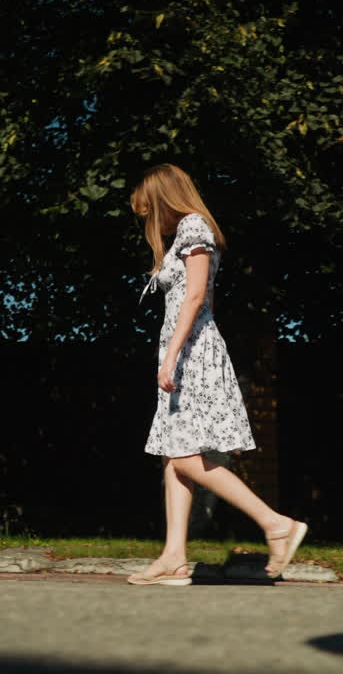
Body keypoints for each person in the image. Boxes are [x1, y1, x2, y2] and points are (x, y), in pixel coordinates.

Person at [126, 163, 307, 586]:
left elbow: (193, 298)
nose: (154, 220)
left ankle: (276, 524)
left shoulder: (194, 227)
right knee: (175, 457)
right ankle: (173, 557)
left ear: (165, 198)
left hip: (191, 356)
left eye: (152, 208)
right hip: (182, 353)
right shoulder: (183, 238)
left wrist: (171, 358)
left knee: (187, 458)